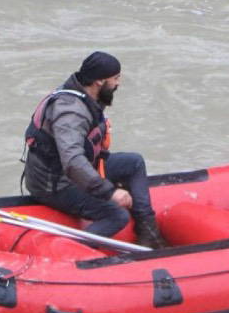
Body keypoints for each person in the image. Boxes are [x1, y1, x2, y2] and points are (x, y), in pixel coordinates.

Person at [22, 51, 166, 249]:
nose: (118, 83)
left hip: (73, 171)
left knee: (134, 162)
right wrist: (109, 192)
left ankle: (149, 235)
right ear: (99, 81)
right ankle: (72, 251)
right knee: (117, 215)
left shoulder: (86, 95)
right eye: (115, 78)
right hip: (55, 185)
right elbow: (73, 162)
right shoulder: (70, 113)